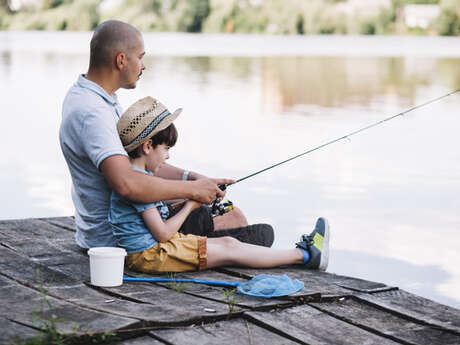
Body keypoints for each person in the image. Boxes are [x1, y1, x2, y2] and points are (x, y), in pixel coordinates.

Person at [59, 20, 272, 250]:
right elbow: (126, 184)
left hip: (129, 220)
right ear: (121, 60)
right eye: (140, 57)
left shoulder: (95, 98)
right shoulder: (93, 113)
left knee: (221, 209)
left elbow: (137, 163)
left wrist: (194, 179)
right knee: (233, 218)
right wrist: (193, 191)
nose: (143, 66)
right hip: (121, 237)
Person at [109, 96, 330, 273]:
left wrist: (193, 195)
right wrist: (190, 206)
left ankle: (303, 254)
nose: (167, 157)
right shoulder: (141, 184)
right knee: (229, 248)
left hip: (153, 251)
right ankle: (305, 255)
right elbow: (163, 233)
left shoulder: (137, 176)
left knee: (228, 243)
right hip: (151, 256)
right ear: (148, 146)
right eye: (166, 149)